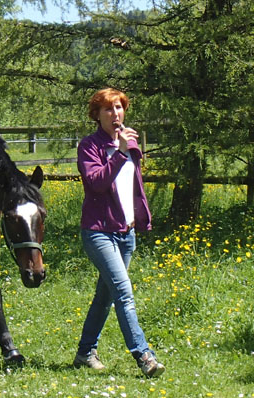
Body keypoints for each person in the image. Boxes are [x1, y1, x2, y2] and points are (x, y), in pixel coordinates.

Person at [73, 88, 165, 378]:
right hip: (99, 232)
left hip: (126, 233)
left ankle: (85, 353)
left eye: (119, 108)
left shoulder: (130, 144)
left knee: (106, 296)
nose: (115, 114)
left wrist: (141, 218)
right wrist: (120, 153)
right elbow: (96, 183)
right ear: (97, 116)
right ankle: (144, 356)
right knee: (124, 293)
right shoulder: (89, 146)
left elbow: (133, 187)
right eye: (108, 110)